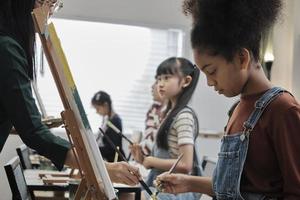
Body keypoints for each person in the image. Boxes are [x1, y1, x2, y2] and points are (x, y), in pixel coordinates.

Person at [156, 0, 300, 199]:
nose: (209, 82)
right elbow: (231, 187)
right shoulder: (238, 109)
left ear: (242, 58)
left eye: (212, 71)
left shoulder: (282, 109)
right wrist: (188, 182)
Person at [0, 0, 140, 186]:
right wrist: (104, 168)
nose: (51, 12)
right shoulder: (7, 48)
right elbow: (33, 132)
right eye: (49, 3)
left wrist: (22, 122)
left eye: (55, 5)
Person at [130, 57, 202, 200]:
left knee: (124, 196)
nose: (160, 84)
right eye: (159, 79)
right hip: (163, 187)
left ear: (186, 81)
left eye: (166, 78)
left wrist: (152, 161)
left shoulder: (183, 117)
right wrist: (142, 160)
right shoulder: (168, 113)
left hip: (175, 192)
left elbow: (185, 164)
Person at [91, 90, 125, 162]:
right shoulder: (107, 120)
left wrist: (94, 150)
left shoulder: (115, 121)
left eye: (98, 108)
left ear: (106, 105)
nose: (97, 112)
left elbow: (112, 148)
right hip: (110, 160)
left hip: (116, 162)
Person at [139, 81, 166, 156]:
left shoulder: (172, 111)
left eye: (157, 82)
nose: (152, 86)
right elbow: (149, 135)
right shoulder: (154, 108)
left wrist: (141, 151)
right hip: (148, 155)